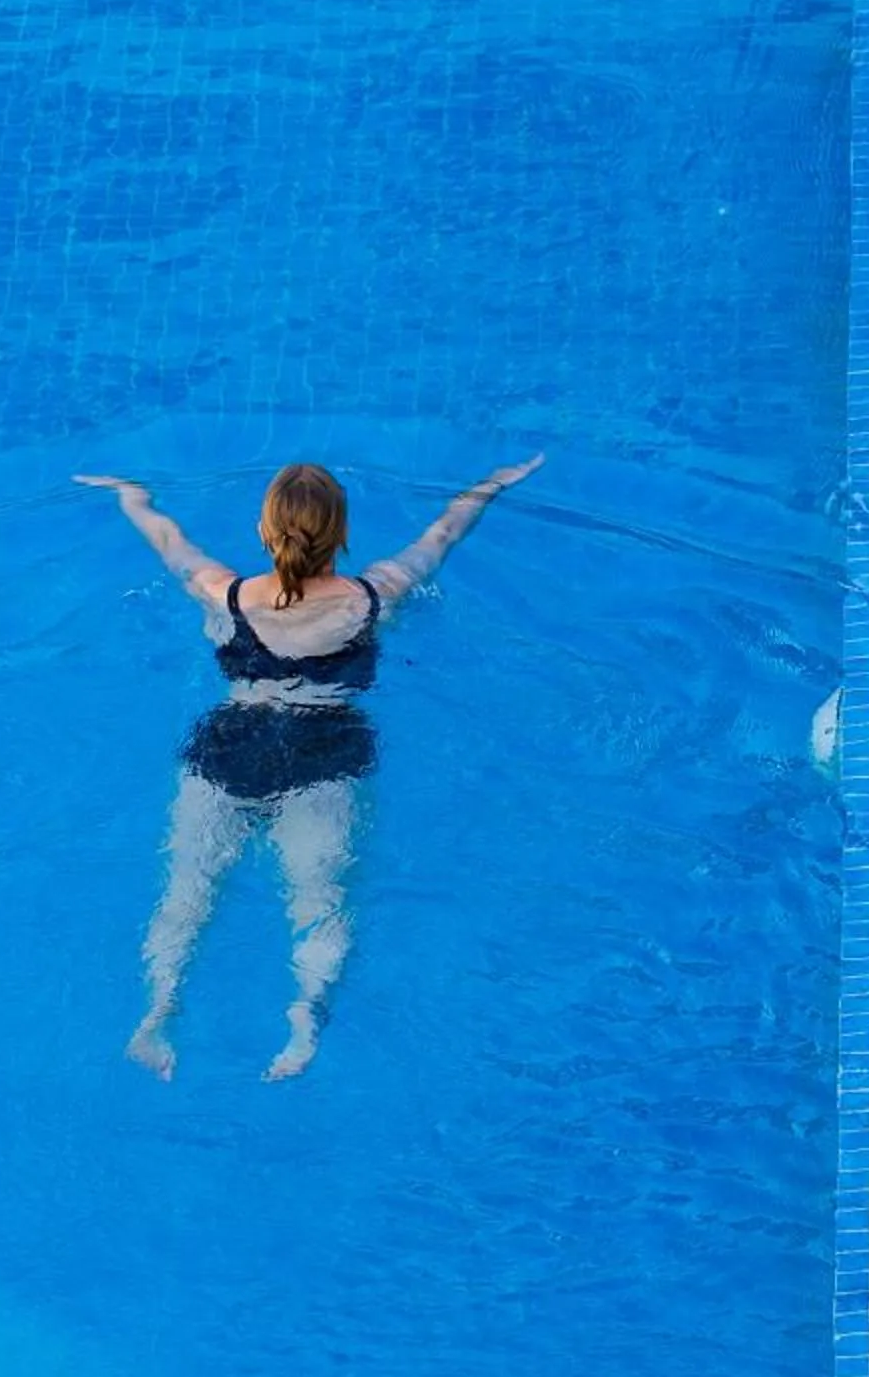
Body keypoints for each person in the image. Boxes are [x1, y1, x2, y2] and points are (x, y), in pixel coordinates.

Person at [76, 455, 542, 1079]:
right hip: (327, 752)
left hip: (229, 746)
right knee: (319, 902)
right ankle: (303, 1019)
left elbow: (167, 539)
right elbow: (444, 533)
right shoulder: (376, 595)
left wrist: (131, 492)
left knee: (186, 895)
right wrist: (489, 485)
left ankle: (158, 1014)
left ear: (265, 533)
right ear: (341, 535)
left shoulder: (226, 592)